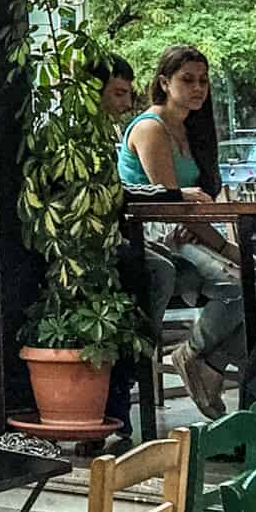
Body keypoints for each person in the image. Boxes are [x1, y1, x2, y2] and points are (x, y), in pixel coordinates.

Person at [121, 45, 255, 419]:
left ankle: (205, 362)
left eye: (203, 81)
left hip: (192, 230)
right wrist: (227, 248)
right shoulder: (151, 128)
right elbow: (171, 203)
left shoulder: (192, 129)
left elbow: (199, 204)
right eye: (187, 80)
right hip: (157, 234)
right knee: (238, 283)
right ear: (164, 83)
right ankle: (194, 355)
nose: (198, 88)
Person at [100, 54, 180, 435]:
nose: (125, 103)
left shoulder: (108, 131)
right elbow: (113, 193)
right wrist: (173, 197)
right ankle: (140, 361)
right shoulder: (85, 134)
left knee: (162, 263)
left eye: (128, 94)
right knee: (160, 270)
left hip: (121, 238)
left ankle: (140, 363)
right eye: (118, 93)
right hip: (95, 250)